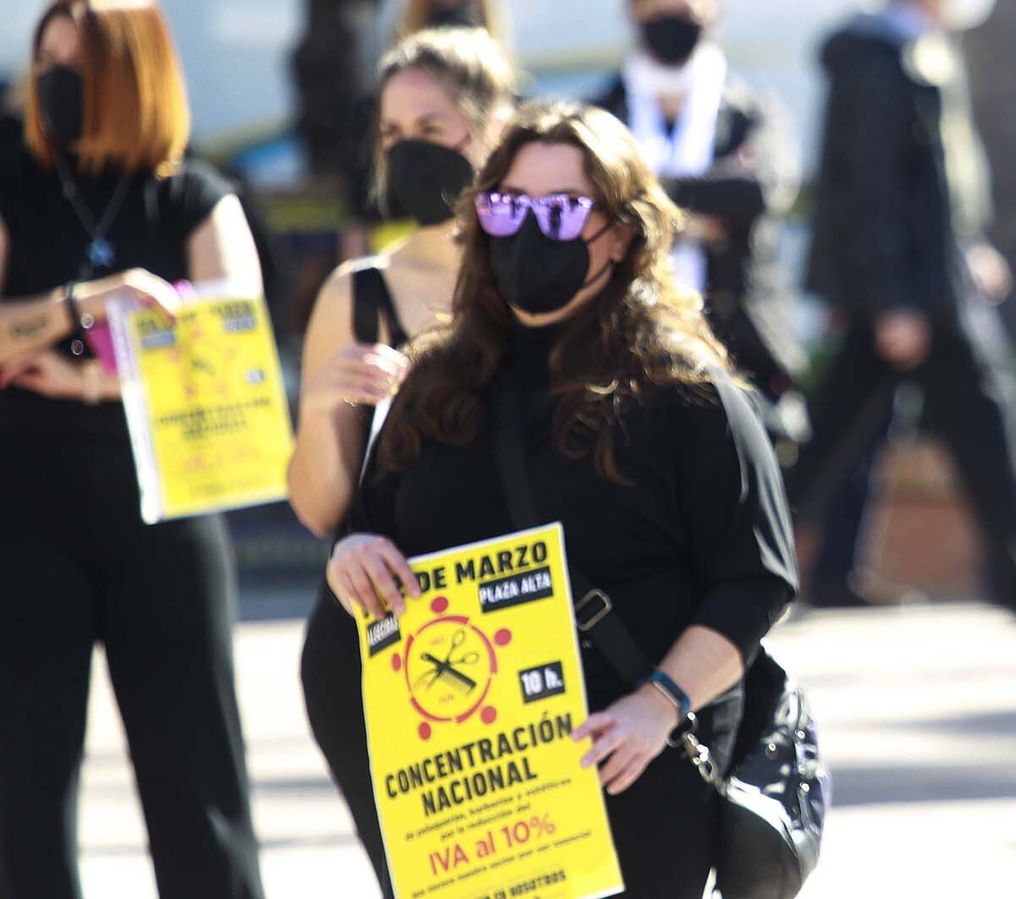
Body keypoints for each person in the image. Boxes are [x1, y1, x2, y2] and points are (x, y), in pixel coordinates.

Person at [326, 100, 796, 897]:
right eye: (507, 206)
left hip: (632, 771)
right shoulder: (436, 382)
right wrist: (352, 554)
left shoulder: (687, 392)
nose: (529, 232)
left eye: (563, 208)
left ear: (625, 232)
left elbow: (756, 580)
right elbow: (366, 531)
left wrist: (658, 705)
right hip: (475, 791)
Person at [0, 2, 266, 896]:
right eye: (47, 63)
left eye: (78, 64)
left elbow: (232, 350)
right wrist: (89, 302)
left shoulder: (195, 193)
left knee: (199, 787)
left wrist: (88, 378)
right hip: (24, 516)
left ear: (137, 71)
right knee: (22, 792)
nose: (55, 82)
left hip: (169, 514)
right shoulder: (12, 179)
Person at [289, 26, 514, 896]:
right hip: (381, 636)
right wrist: (322, 404)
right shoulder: (362, 289)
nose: (408, 148)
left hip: (522, 625)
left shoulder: (543, 277)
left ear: (495, 130)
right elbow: (319, 506)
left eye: (433, 126)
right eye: (391, 133)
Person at [793, 0, 1016, 621]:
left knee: (839, 434)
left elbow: (935, 176)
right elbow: (868, 192)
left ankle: (820, 573)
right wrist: (890, 301)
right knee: (983, 418)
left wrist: (969, 245)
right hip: (915, 296)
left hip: (934, 283)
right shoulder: (874, 57)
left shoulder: (916, 45)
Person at [593, 0, 808, 459]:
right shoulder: (598, 115)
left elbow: (758, 189)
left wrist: (641, 201)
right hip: (622, 355)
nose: (671, 14)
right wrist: (697, 214)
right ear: (632, 12)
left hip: (741, 355)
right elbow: (591, 198)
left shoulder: (753, 111)